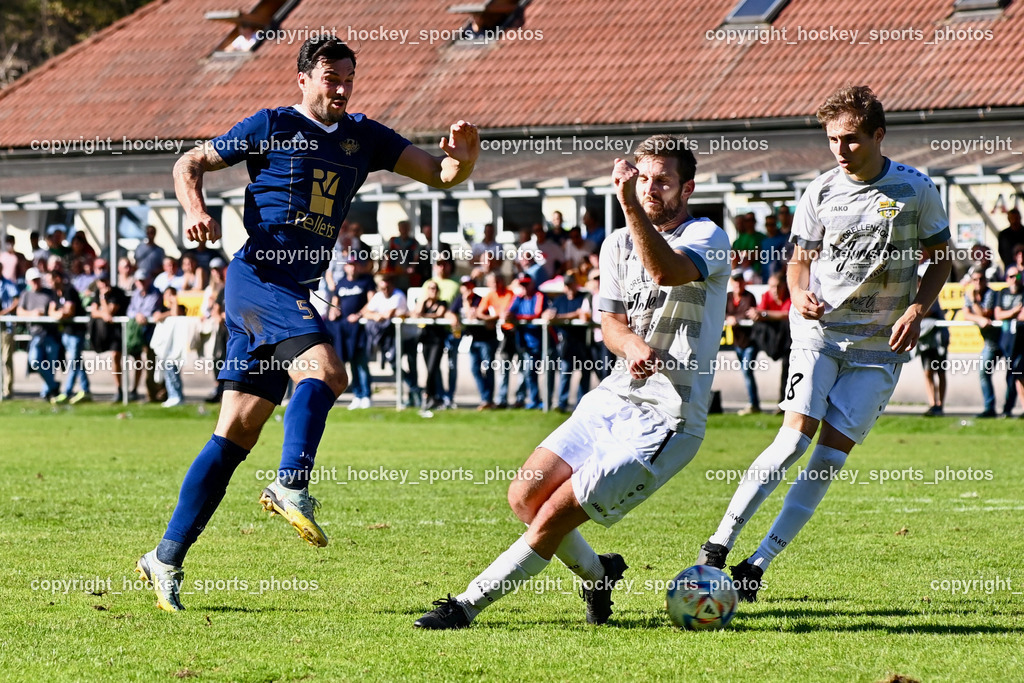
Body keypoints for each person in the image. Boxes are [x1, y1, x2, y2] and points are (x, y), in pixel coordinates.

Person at [136, 35, 478, 612]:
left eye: (348, 76)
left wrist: (464, 158)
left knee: (235, 435)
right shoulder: (270, 124)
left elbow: (441, 174)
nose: (341, 86)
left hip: (291, 288)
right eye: (329, 76)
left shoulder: (364, 136)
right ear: (303, 78)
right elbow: (189, 162)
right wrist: (195, 210)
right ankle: (291, 483)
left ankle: (164, 557)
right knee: (328, 371)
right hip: (259, 278)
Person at [415, 134, 730, 629]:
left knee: (553, 518)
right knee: (523, 497)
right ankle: (598, 573)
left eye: (664, 181)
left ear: (687, 188)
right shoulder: (616, 243)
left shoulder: (707, 236)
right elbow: (610, 323)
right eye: (643, 178)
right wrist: (631, 347)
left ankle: (466, 605)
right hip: (614, 397)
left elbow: (665, 271)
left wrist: (628, 205)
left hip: (669, 418)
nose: (651, 189)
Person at [696, 85, 953, 602]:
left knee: (827, 461)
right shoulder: (818, 192)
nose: (840, 149)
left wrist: (916, 308)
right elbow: (798, 260)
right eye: (833, 139)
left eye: (852, 139)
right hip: (820, 335)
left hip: (881, 348)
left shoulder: (917, 190)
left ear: (879, 135)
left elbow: (942, 258)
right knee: (792, 441)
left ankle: (756, 565)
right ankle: (718, 545)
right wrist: (798, 294)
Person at [328, 256, 375, 409]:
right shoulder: (341, 283)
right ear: (346, 267)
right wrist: (334, 311)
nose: (352, 268)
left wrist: (359, 314)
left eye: (355, 265)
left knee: (361, 363)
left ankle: (366, 395)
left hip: (360, 329)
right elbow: (335, 304)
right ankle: (357, 394)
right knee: (350, 363)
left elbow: (372, 301)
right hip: (345, 330)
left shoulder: (366, 281)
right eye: (349, 265)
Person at [544, 274, 590, 412]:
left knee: (585, 372)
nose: (569, 288)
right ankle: (561, 403)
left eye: (571, 285)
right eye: (567, 285)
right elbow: (549, 314)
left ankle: (581, 403)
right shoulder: (559, 300)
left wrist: (560, 317)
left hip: (581, 342)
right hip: (565, 342)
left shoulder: (583, 298)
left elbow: (582, 313)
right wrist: (552, 316)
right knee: (565, 371)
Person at [961, 268, 1001, 418]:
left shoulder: (991, 293)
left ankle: (1009, 409)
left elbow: (984, 314)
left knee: (1014, 374)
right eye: (975, 280)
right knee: (984, 373)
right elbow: (966, 315)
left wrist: (974, 303)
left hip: (1002, 340)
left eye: (981, 279)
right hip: (989, 342)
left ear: (985, 280)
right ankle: (989, 408)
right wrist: (979, 319)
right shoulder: (970, 294)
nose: (978, 283)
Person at [17, 268, 61, 400]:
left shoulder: (49, 293)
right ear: (29, 281)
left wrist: (47, 313)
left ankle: (47, 393)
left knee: (50, 365)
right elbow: (20, 311)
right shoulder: (26, 294)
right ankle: (53, 386)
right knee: (35, 361)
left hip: (50, 334)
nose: (36, 283)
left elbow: (56, 308)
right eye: (33, 280)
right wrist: (33, 314)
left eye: (37, 280)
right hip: (36, 334)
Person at [49, 269, 91, 404]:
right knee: (77, 362)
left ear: (58, 279)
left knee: (74, 362)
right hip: (66, 333)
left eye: (51, 280)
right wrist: (59, 313)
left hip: (76, 333)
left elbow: (69, 312)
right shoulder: (56, 293)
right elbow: (51, 311)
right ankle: (86, 390)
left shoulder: (69, 291)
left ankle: (67, 392)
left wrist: (59, 313)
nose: (49, 283)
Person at [476, 272, 516, 408]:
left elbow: (506, 313)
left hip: (514, 332)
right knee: (503, 367)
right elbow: (479, 312)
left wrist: (492, 318)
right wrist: (490, 319)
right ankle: (501, 399)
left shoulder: (509, 294)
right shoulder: (490, 295)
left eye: (497, 281)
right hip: (503, 334)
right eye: (492, 282)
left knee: (523, 366)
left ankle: (520, 398)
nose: (495, 285)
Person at [87, 275, 129, 402]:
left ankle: (130, 390)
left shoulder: (117, 293)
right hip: (106, 331)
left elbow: (110, 312)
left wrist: (103, 300)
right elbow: (94, 312)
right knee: (114, 358)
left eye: (105, 280)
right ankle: (119, 389)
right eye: (100, 281)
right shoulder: (97, 293)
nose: (103, 284)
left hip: (120, 331)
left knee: (124, 357)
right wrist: (103, 313)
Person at [725, 270, 760, 415]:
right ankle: (754, 404)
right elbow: (722, 311)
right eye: (735, 280)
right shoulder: (728, 297)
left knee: (747, 370)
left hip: (750, 340)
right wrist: (729, 318)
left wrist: (735, 319)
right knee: (746, 371)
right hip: (737, 341)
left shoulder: (749, 296)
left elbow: (748, 312)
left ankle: (753, 403)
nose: (738, 284)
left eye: (740, 280)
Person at [413, 280, 449, 410]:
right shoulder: (422, 302)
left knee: (432, 369)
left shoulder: (442, 303)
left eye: (434, 288)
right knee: (429, 369)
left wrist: (424, 316)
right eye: (430, 288)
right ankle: (433, 398)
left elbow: (438, 314)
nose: (432, 291)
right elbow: (416, 313)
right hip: (426, 340)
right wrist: (423, 302)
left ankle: (428, 395)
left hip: (437, 341)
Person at [994, 266, 1023, 416]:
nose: (1014, 280)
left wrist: (1011, 314)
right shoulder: (1003, 292)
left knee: (1018, 373)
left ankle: (1011, 408)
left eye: (1017, 277)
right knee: (1011, 375)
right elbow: (998, 314)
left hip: (1021, 341)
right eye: (1011, 276)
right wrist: (1013, 312)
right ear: (1006, 278)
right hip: (1007, 341)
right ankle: (1006, 408)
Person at [0, 272, 19, 399]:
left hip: (5, 326)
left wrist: (3, 312)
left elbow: (17, 300)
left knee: (6, 358)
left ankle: (7, 391)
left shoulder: (8, 284)